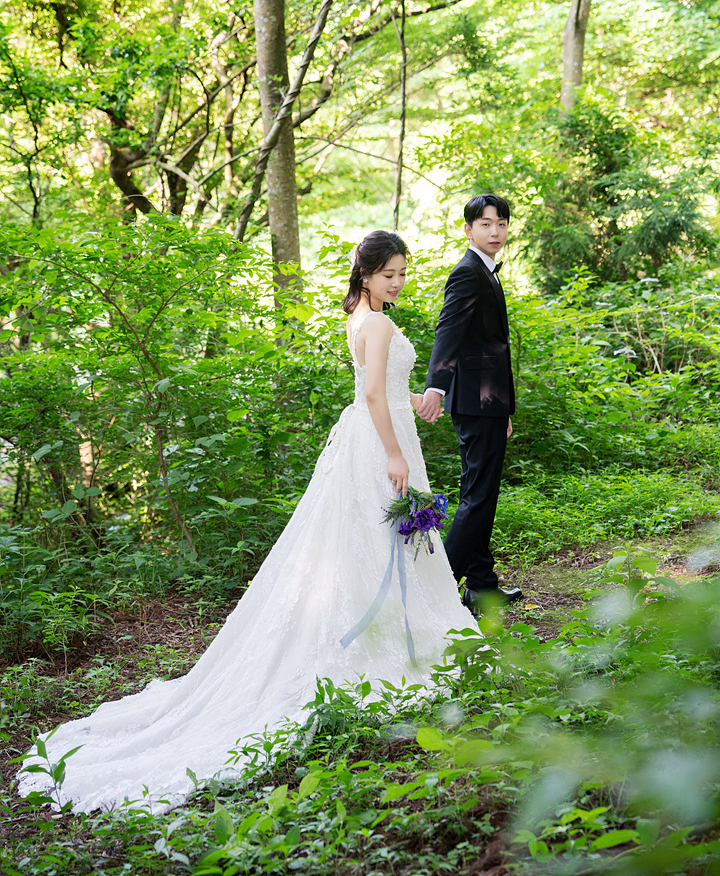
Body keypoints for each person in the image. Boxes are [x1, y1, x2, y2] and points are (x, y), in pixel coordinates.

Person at [19, 231, 472, 814]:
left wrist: (408, 410)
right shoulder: (378, 323)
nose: (398, 283)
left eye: (403, 274)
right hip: (379, 442)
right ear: (365, 274)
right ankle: (392, 644)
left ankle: (390, 633)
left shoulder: (361, 318)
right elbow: (374, 398)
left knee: (371, 541)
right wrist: (394, 454)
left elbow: (380, 391)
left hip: (370, 434)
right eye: (390, 274)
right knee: (378, 540)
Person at [418, 195, 522, 615]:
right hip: (475, 402)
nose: (495, 231)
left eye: (501, 224)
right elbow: (449, 332)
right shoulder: (467, 272)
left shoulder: (486, 271)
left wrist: (505, 407)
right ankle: (438, 593)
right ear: (468, 229)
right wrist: (435, 388)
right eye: (485, 224)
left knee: (479, 496)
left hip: (488, 402)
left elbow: (492, 348)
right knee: (478, 498)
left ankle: (481, 586)